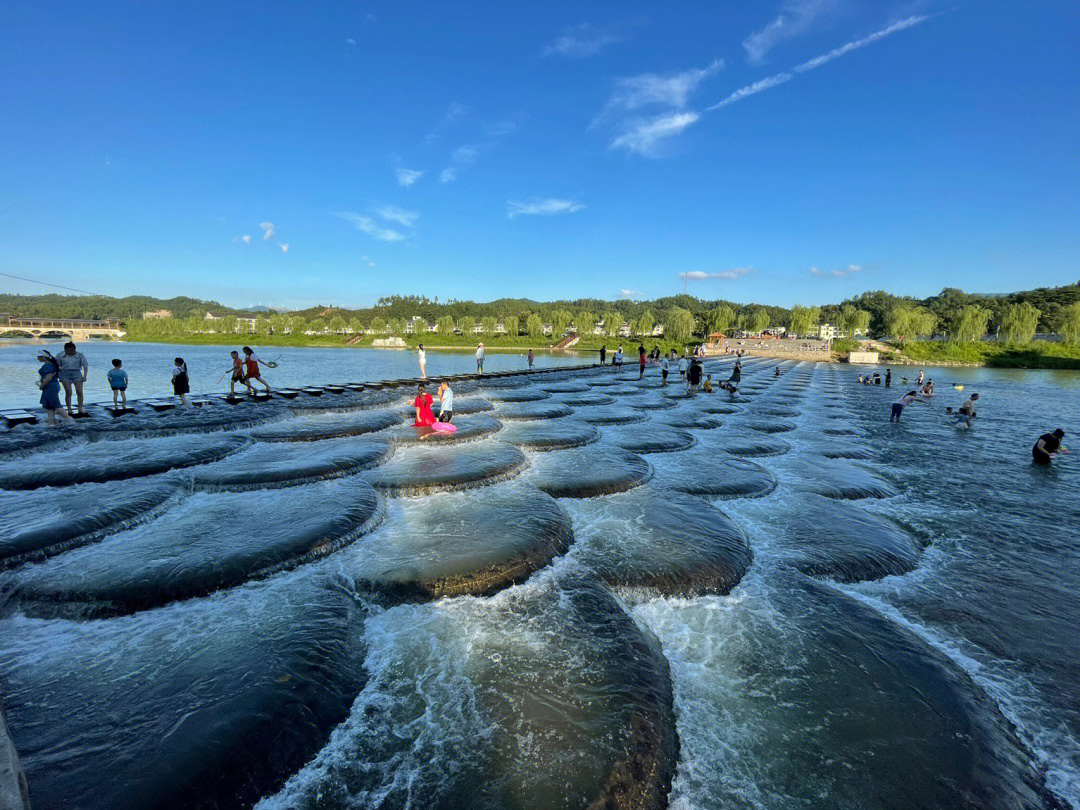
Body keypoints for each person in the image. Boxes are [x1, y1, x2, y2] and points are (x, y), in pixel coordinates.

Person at [36, 350, 72, 426]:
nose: (37, 358)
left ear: (43, 357)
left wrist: (42, 386)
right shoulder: (50, 364)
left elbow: (48, 378)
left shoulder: (48, 366)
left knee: (56, 405)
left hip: (50, 387)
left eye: (38, 357)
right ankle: (51, 424)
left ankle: (71, 421)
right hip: (52, 386)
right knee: (50, 406)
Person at [57, 341, 88, 415]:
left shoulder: (80, 355)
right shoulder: (60, 355)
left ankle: (80, 408)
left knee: (79, 391)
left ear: (75, 349)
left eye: (71, 350)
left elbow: (85, 366)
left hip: (76, 373)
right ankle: (69, 409)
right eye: (68, 351)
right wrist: (57, 376)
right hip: (65, 373)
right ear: (65, 350)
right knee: (68, 392)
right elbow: (56, 365)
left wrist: (85, 376)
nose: (69, 352)